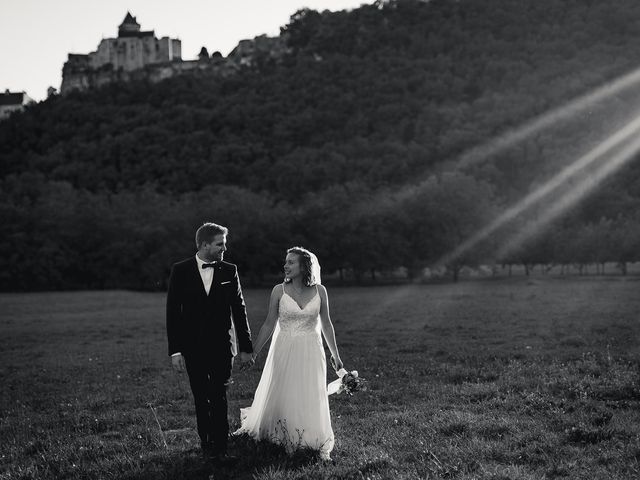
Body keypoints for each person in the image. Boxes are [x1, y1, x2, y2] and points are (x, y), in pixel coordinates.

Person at [234, 246, 343, 461]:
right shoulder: (278, 291)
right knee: (286, 389)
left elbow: (327, 325)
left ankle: (311, 435)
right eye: (286, 262)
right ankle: (282, 432)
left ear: (304, 266)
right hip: (284, 348)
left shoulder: (320, 291)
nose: (286, 265)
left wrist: (336, 356)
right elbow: (268, 324)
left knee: (309, 390)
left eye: (291, 262)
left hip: (312, 349)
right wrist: (254, 352)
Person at [166, 222, 254, 464]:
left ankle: (221, 446)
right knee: (200, 397)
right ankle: (206, 445)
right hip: (192, 347)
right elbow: (173, 312)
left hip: (222, 347)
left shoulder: (229, 270)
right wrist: (175, 350)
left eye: (224, 244)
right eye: (220, 244)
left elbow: (239, 309)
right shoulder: (181, 270)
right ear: (204, 244)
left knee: (219, 396)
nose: (224, 248)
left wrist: (246, 348)